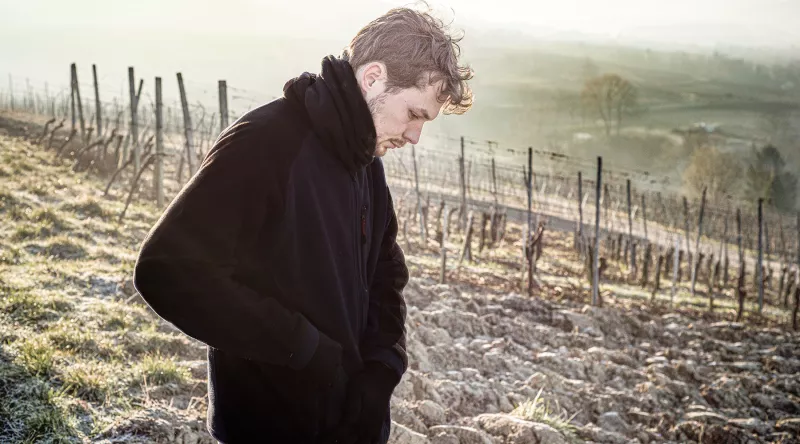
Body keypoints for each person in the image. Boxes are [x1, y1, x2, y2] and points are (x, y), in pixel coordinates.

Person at [133, 6, 473, 444]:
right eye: (414, 114)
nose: (414, 137)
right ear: (372, 79)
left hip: (347, 425)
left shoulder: (366, 163)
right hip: (267, 426)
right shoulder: (265, 142)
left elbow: (386, 277)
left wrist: (380, 373)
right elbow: (167, 271)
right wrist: (304, 349)